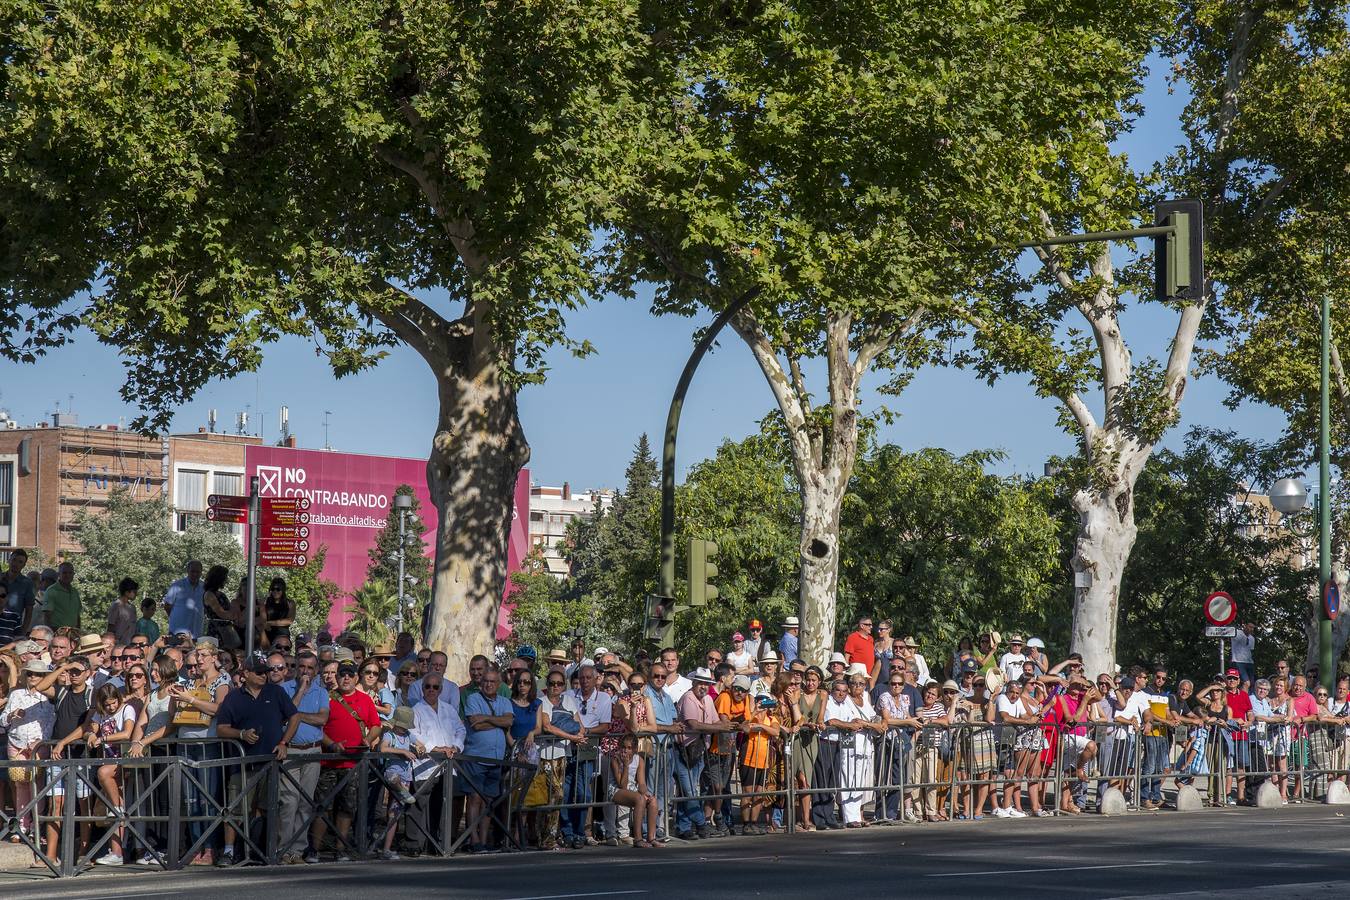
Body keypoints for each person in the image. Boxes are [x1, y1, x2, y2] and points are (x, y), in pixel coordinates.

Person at [311, 661, 381, 861]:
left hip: (353, 763)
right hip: (328, 762)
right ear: (337, 676)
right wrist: (332, 744)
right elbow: (319, 728)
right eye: (342, 674)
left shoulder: (365, 700)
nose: (346, 678)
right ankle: (314, 849)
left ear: (356, 677)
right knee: (322, 806)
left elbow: (376, 725)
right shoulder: (327, 698)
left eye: (350, 674)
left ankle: (340, 849)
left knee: (347, 808)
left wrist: (367, 740)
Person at [407, 672, 465, 856]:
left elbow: (460, 729)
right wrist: (435, 748)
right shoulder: (416, 709)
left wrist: (456, 746)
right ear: (422, 688)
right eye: (427, 686)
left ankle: (437, 843)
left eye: (435, 687)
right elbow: (413, 734)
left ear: (441, 689)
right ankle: (413, 844)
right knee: (418, 804)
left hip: (447, 765)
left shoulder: (449, 709)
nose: (431, 690)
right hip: (426, 765)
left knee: (441, 804)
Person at [1, 660, 55, 842]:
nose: (33, 677)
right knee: (20, 784)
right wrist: (10, 715)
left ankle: (36, 827)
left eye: (38, 674)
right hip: (16, 743)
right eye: (30, 673)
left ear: (44, 676)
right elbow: (2, 720)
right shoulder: (16, 694)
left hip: (38, 746)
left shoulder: (48, 696)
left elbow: (51, 721)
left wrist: (41, 741)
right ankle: (21, 825)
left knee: (37, 785)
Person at [675, 667, 728, 840]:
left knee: (686, 791)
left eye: (706, 683)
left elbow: (715, 721)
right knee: (689, 791)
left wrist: (727, 725)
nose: (703, 687)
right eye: (700, 683)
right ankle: (700, 823)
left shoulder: (708, 700)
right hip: (684, 750)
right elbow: (694, 724)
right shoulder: (689, 698)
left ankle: (683, 827)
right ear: (694, 683)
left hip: (699, 750)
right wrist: (721, 727)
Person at [377, 706, 421, 860]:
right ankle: (401, 791)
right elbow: (383, 749)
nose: (403, 729)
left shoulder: (409, 735)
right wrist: (402, 751)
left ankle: (386, 848)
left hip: (406, 776)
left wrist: (419, 748)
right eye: (401, 726)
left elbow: (420, 744)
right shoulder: (390, 735)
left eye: (405, 727)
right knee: (393, 778)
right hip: (392, 772)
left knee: (395, 812)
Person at [607, 733, 663, 848]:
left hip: (632, 789)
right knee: (639, 799)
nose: (625, 751)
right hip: (616, 790)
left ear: (635, 749)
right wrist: (626, 766)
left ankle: (651, 837)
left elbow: (641, 783)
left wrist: (646, 793)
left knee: (652, 801)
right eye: (623, 747)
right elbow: (622, 785)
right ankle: (638, 838)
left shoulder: (639, 760)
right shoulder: (615, 759)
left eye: (629, 748)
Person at [0, 549, 36, 645]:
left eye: (20, 562)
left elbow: (29, 610)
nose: (15, 563)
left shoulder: (27, 583)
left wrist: (23, 632)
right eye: (14, 560)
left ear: (23, 565)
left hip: (13, 627)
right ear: (9, 560)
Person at [165, 561, 206, 639]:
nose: (195, 574)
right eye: (192, 571)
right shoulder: (177, 585)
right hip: (177, 632)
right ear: (187, 571)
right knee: (175, 651)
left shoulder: (204, 587)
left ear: (201, 572)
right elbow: (167, 606)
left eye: (197, 572)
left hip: (196, 632)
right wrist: (176, 619)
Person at [44, 562, 81, 630]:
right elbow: (47, 616)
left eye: (70, 573)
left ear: (73, 574)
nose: (67, 575)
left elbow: (77, 615)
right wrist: (50, 634)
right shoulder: (51, 591)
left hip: (73, 632)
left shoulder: (75, 592)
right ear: (59, 574)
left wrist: (78, 632)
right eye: (64, 573)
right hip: (57, 632)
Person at [262, 578, 295, 648]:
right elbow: (262, 620)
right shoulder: (265, 602)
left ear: (283, 590)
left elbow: (289, 621)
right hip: (267, 633)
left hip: (282, 635)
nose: (275, 591)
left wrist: (269, 623)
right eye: (273, 589)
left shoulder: (290, 603)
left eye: (278, 589)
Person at [106, 577, 138, 646]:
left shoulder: (132, 608)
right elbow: (111, 626)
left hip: (130, 645)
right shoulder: (116, 605)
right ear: (127, 592)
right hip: (118, 644)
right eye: (134, 592)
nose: (136, 594)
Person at [1231, 622, 1256, 689]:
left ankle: (1247, 696)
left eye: (1253, 628)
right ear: (1245, 626)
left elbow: (1251, 650)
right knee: (1246, 683)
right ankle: (1243, 699)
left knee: (1252, 683)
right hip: (1238, 661)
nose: (1251, 629)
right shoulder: (1237, 633)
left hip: (1249, 662)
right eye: (1250, 627)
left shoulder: (1252, 638)